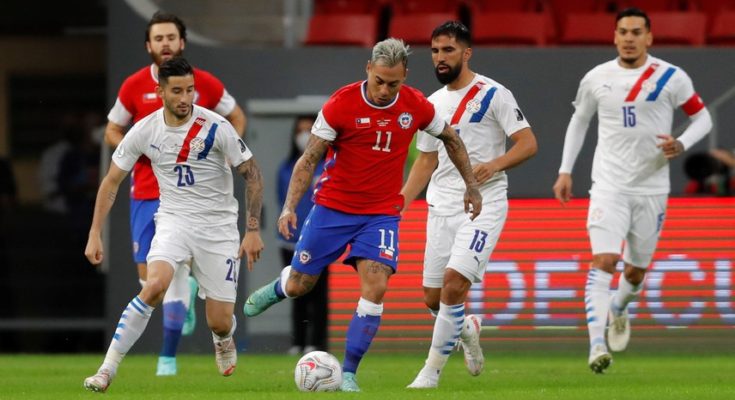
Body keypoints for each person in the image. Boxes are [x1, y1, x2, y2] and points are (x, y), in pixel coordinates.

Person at [243, 38, 483, 392]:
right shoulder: (341, 104)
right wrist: (290, 206)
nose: (385, 90)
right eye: (379, 81)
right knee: (300, 285)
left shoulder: (415, 105)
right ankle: (282, 285)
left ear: (405, 76)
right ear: (368, 69)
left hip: (380, 214)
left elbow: (451, 139)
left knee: (376, 286)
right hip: (332, 209)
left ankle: (350, 372)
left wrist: (471, 186)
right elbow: (309, 158)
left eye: (394, 83)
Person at [83, 57, 263, 393]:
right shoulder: (144, 130)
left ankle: (223, 336)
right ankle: (106, 370)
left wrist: (252, 229)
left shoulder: (216, 126)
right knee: (153, 286)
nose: (185, 98)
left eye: (190, 90)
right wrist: (95, 233)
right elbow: (111, 182)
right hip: (174, 220)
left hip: (218, 228)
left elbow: (253, 176)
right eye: (177, 90)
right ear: (160, 91)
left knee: (219, 321)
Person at [551, 8, 712, 374]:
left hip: (652, 188)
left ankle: (619, 310)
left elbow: (703, 117)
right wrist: (565, 170)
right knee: (604, 261)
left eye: (636, 32)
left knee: (636, 272)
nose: (628, 38)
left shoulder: (671, 77)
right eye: (622, 31)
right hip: (609, 186)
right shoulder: (596, 78)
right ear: (614, 36)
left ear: (649, 38)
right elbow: (580, 121)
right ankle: (595, 346)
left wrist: (682, 143)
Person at [105, 11, 247, 376]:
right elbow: (111, 130)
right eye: (159, 38)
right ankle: (179, 305)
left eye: (171, 37)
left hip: (195, 202)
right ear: (148, 45)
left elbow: (237, 119)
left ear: (181, 42)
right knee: (149, 280)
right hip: (147, 194)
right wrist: (132, 150)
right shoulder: (133, 86)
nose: (165, 43)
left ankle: (167, 357)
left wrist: (226, 160)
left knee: (171, 284)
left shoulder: (204, 85)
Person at [400, 21, 538, 389]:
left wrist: (493, 166)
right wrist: (399, 203)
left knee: (453, 284)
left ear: (466, 53)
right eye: (435, 51)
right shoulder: (431, 104)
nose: (440, 58)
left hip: (484, 205)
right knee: (434, 297)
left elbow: (527, 143)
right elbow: (425, 161)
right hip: (440, 207)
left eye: (448, 50)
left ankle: (430, 373)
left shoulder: (495, 94)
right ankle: (467, 329)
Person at [277, 115, 329, 355]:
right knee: (294, 291)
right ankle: (297, 342)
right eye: (300, 130)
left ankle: (317, 343)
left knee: (318, 295)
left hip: (319, 242)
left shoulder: (326, 165)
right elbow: (281, 200)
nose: (304, 135)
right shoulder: (286, 169)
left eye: (310, 130)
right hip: (289, 243)